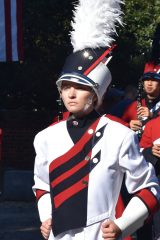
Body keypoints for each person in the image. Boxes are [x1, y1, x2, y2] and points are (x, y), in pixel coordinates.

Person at [122, 62, 160, 138]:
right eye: (146, 79)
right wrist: (128, 125)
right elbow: (119, 126)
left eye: (154, 79)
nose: (149, 83)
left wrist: (153, 116)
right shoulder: (134, 105)